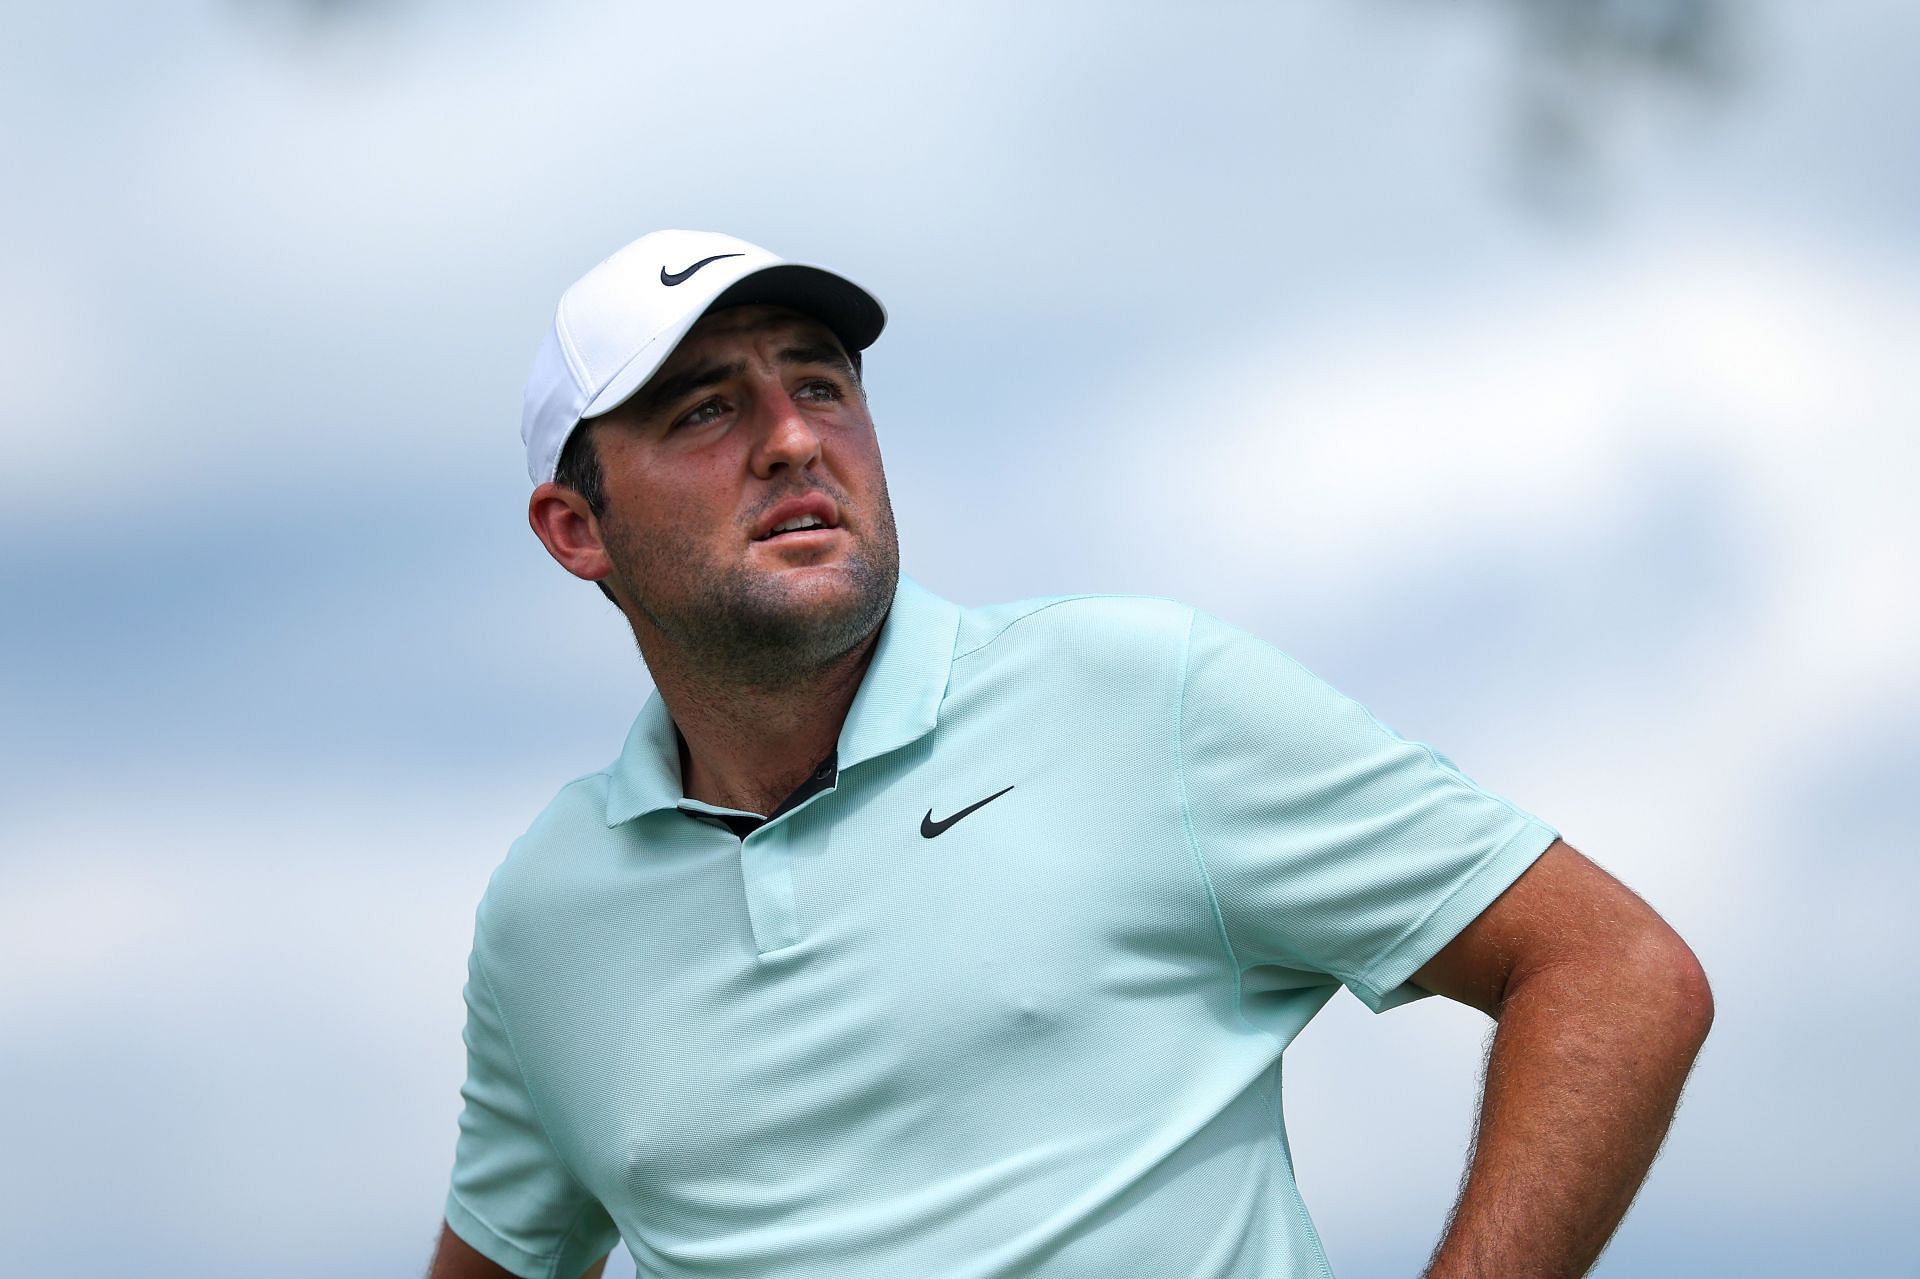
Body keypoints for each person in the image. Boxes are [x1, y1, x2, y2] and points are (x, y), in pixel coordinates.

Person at [426, 229, 1712, 1279]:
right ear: (574, 528)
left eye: (820, 384)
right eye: (708, 409)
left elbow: (1615, 970)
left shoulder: (1138, 693)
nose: (793, 437)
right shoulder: (549, 915)